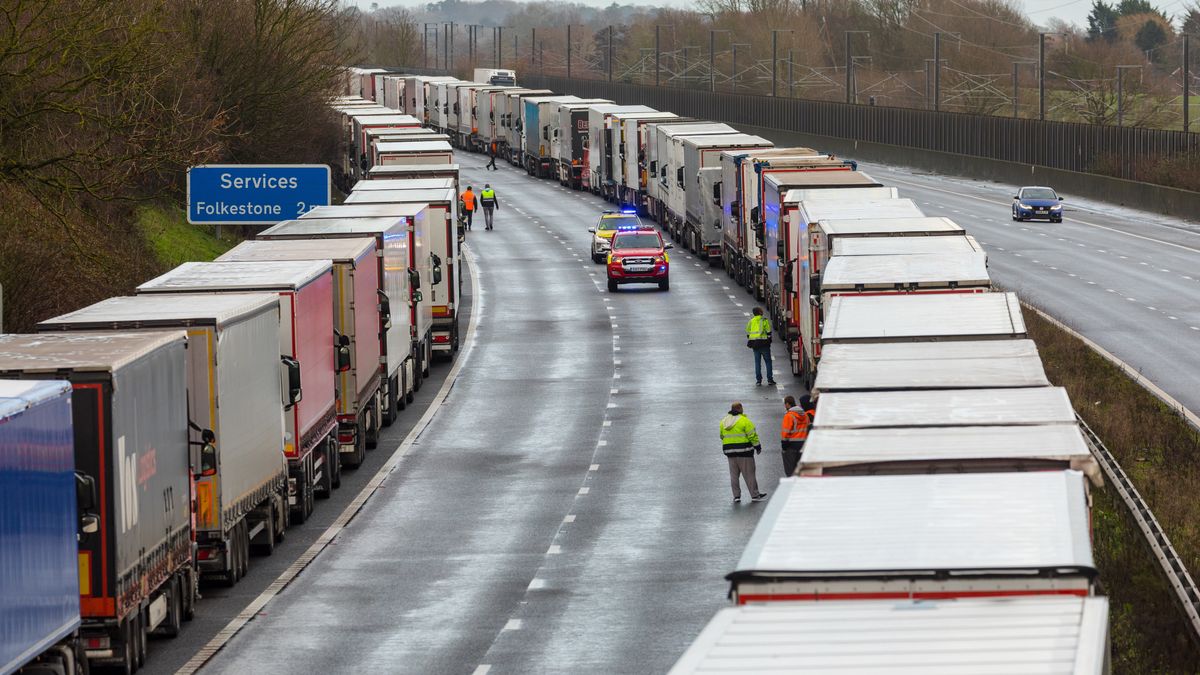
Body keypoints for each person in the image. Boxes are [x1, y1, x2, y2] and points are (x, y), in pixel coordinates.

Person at [720, 402, 768, 504]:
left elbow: (721, 436)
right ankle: (755, 495)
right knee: (749, 474)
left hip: (729, 452)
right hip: (744, 451)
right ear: (740, 409)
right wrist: (757, 447)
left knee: (734, 475)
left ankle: (736, 496)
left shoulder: (723, 421)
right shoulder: (745, 421)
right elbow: (752, 436)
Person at [780, 395, 813, 477]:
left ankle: (791, 484)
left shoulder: (789, 416)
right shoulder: (805, 415)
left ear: (787, 404)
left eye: (785, 404)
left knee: (790, 469)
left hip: (791, 446)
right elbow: (809, 428)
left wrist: (784, 445)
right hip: (803, 445)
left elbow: (785, 432)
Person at [746, 307, 776, 386]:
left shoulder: (751, 321)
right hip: (764, 344)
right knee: (768, 362)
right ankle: (770, 379)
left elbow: (748, 333)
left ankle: (758, 381)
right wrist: (769, 340)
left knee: (757, 362)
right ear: (759, 312)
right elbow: (769, 332)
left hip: (755, 345)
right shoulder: (764, 321)